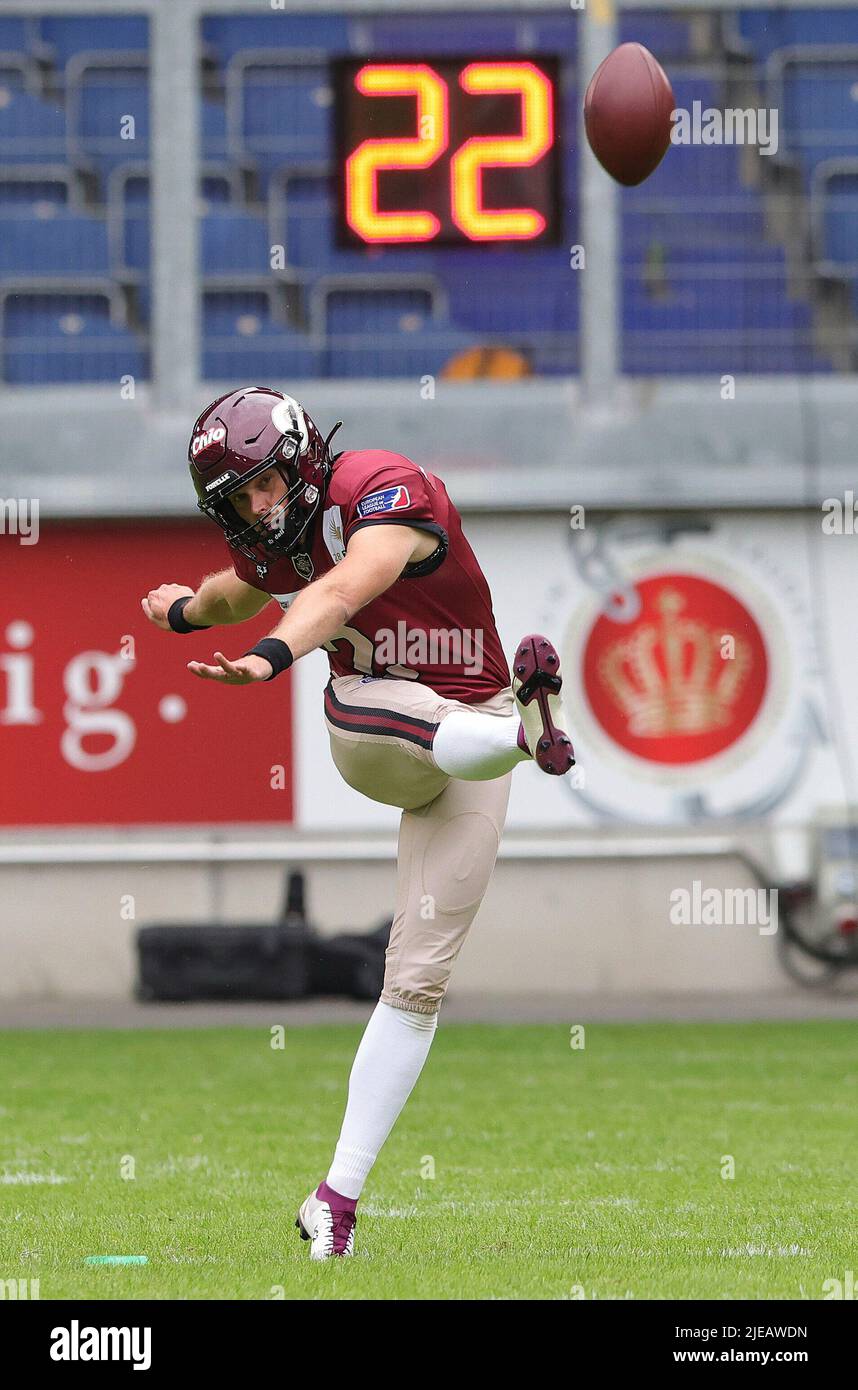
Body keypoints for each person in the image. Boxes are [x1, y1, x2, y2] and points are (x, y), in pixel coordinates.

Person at [142, 386, 574, 1260]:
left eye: (261, 487)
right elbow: (241, 587)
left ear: (300, 459)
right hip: (377, 733)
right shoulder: (282, 538)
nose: (255, 510)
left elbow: (343, 587)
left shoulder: (381, 487)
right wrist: (184, 609)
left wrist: (270, 657)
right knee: (376, 693)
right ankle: (528, 741)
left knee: (415, 986)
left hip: (466, 732)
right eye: (236, 501)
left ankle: (332, 1205)